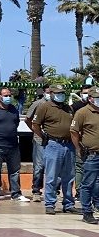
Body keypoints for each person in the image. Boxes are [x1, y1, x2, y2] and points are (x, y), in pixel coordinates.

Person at [32, 84, 76, 215]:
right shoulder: (44, 107)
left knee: (69, 176)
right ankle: (50, 203)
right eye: (58, 93)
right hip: (53, 144)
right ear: (51, 93)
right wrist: (43, 137)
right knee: (52, 176)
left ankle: (68, 203)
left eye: (62, 93)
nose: (60, 95)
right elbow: (35, 125)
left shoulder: (68, 108)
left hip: (68, 145)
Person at [71, 87, 99, 224]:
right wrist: (78, 148)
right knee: (88, 184)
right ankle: (87, 212)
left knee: (97, 184)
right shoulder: (82, 112)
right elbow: (74, 132)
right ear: (90, 98)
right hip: (91, 154)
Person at [24, 83, 52, 202]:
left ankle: (53, 190)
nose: (50, 94)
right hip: (40, 139)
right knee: (39, 166)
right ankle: (36, 190)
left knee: (53, 166)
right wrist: (36, 131)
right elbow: (28, 119)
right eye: (48, 92)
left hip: (53, 140)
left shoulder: (58, 106)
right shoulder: (38, 104)